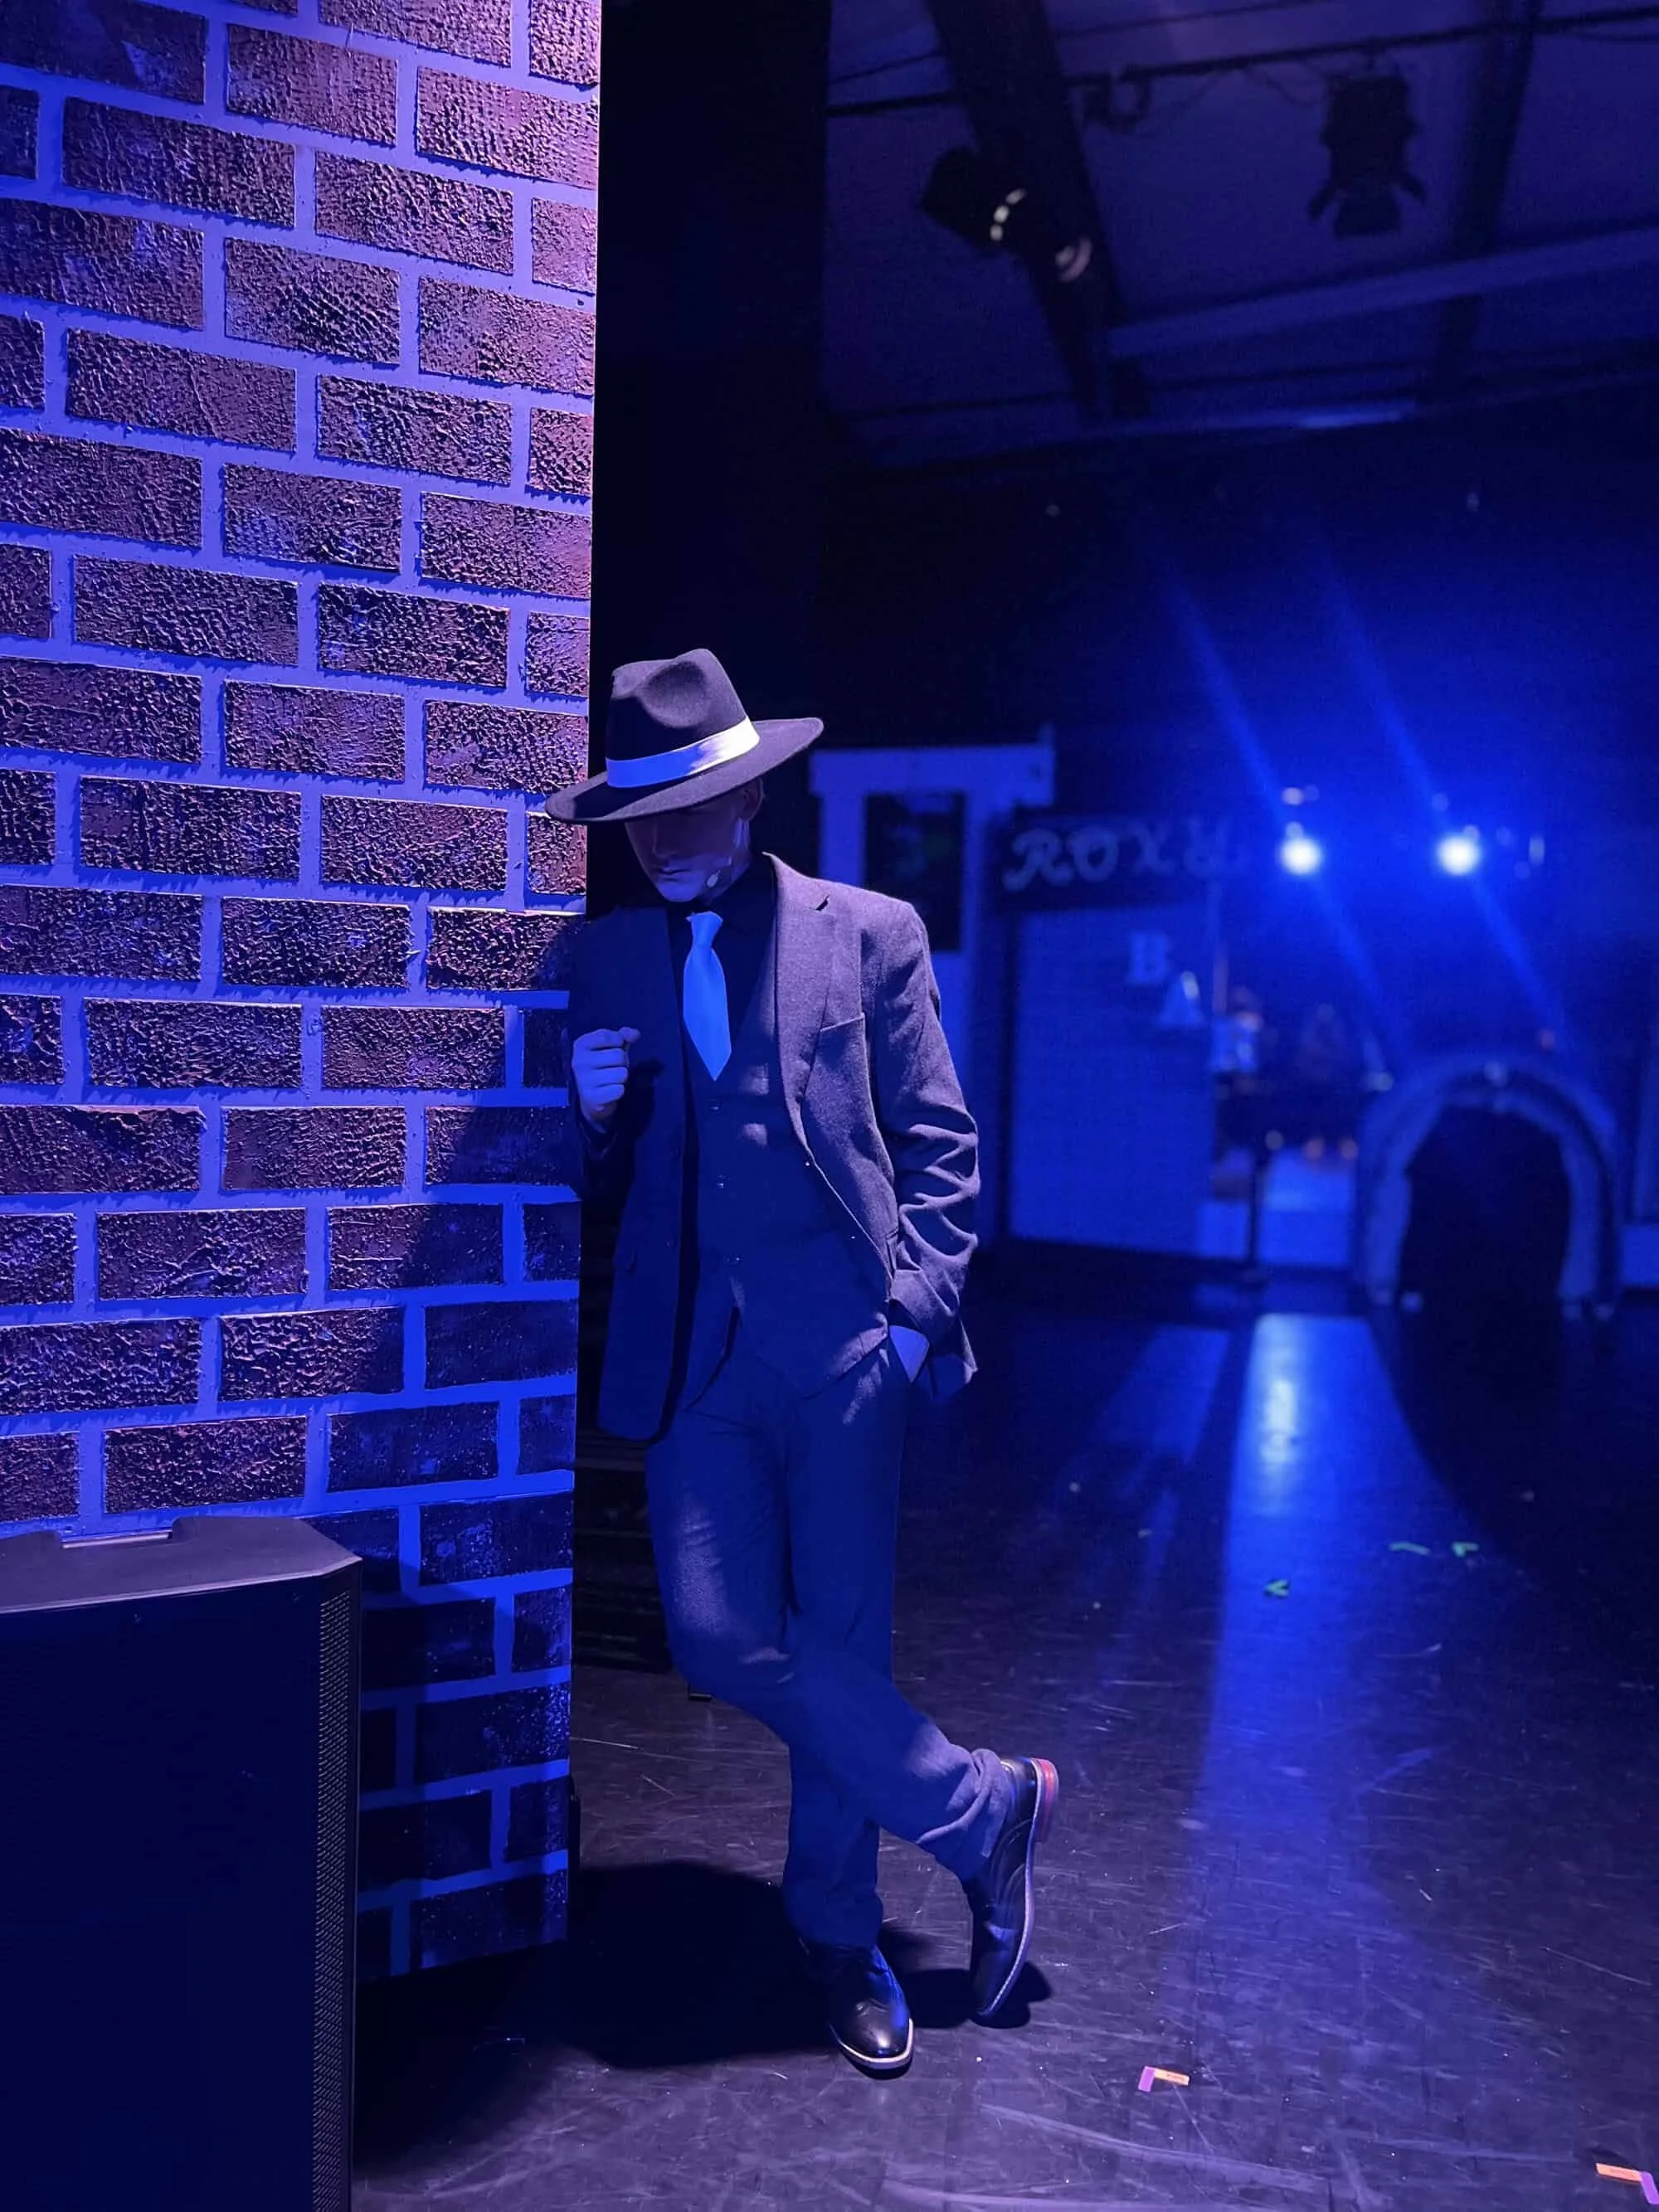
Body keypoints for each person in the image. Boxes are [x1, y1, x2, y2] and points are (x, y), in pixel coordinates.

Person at [549, 649, 1058, 2077]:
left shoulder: (870, 931)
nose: (660, 840)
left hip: (847, 1351)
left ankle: (839, 1935)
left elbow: (943, 1146)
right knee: (718, 1634)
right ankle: (983, 1807)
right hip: (696, 1360)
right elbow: (588, 1193)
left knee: (840, 1644)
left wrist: (906, 1325)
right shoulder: (600, 959)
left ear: (752, 792)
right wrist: (588, 1126)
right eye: (639, 816)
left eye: (688, 807)